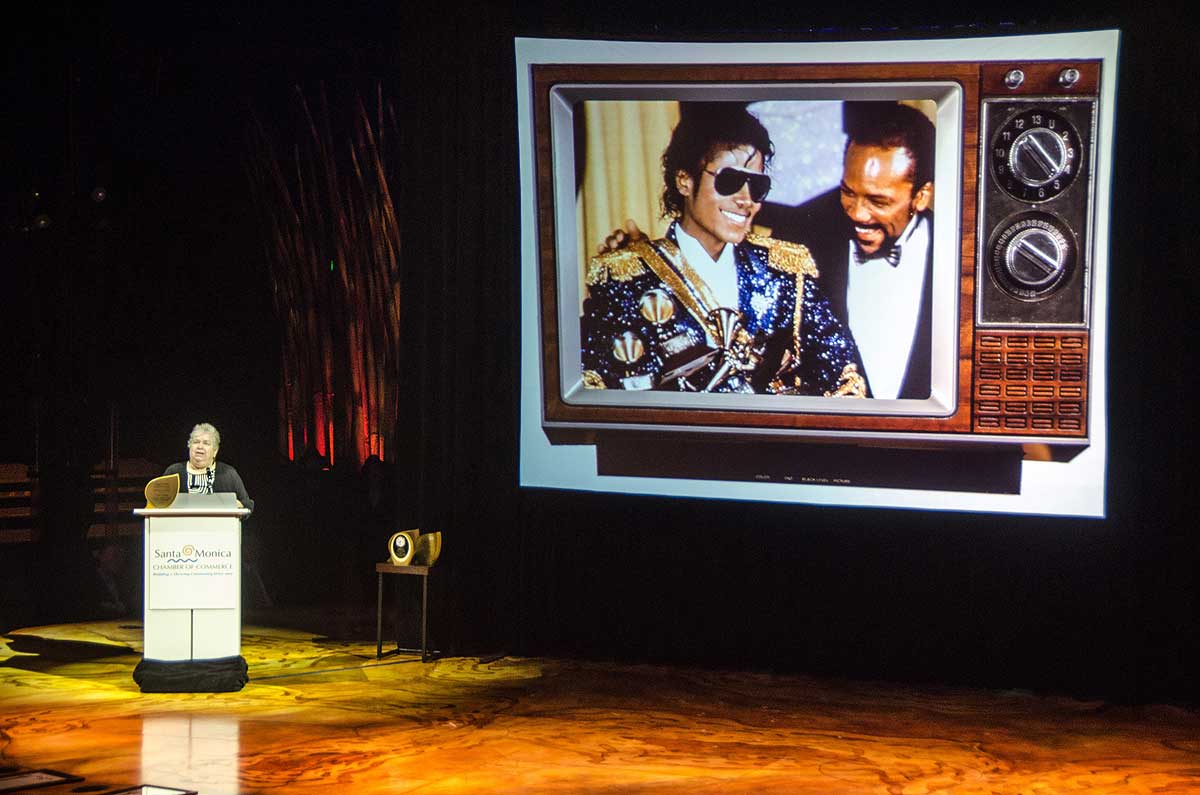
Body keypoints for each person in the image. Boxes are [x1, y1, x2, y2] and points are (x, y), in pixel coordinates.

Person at [582, 103, 863, 397]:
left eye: (757, 186)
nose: (746, 200)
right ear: (685, 181)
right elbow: (598, 389)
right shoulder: (625, 280)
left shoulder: (788, 273)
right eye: (729, 182)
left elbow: (843, 381)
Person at [759, 101, 935, 399]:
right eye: (847, 193)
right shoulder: (796, 239)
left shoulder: (964, 253)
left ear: (921, 196)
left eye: (878, 201)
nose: (857, 214)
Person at [163, 422, 254, 511]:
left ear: (215, 451)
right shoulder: (174, 472)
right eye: (196, 442)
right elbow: (157, 503)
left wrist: (230, 505)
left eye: (206, 443)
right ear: (189, 446)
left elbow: (247, 505)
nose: (200, 446)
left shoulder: (228, 474)